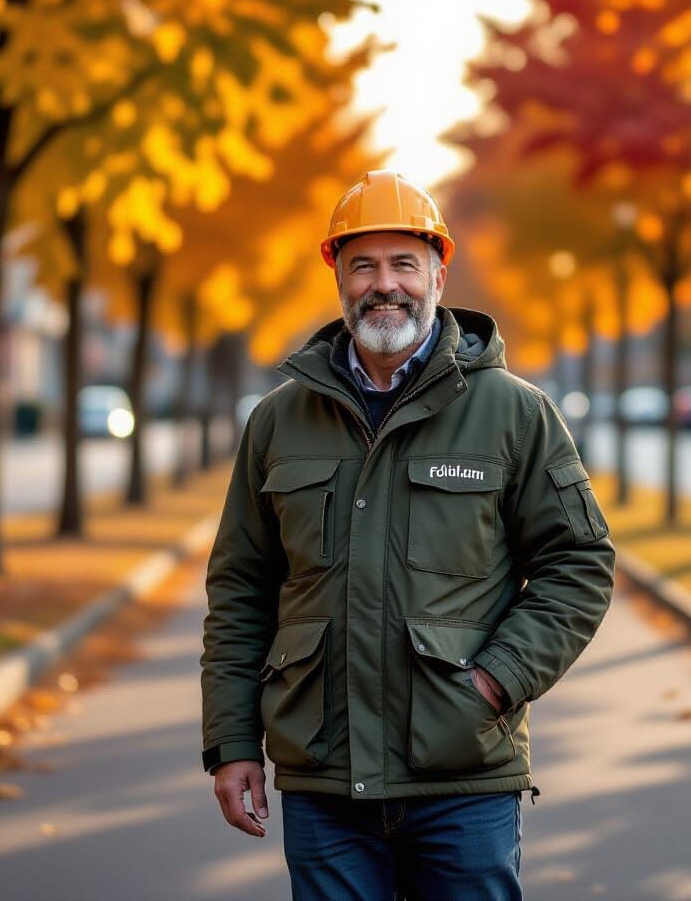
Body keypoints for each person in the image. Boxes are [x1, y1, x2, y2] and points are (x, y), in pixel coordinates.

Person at [200, 170, 616, 900]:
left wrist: (495, 682)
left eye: (403, 263)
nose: (383, 284)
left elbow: (578, 564)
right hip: (323, 778)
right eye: (363, 264)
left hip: (463, 777)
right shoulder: (279, 420)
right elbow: (241, 588)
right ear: (338, 275)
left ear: (438, 274)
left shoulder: (514, 414)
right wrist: (233, 744)